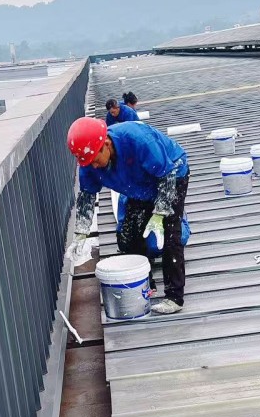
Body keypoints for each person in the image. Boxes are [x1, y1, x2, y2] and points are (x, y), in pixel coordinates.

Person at [67, 117, 189, 315]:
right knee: (129, 236)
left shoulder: (138, 140)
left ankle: (174, 296)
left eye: (96, 160)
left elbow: (166, 175)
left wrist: (159, 214)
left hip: (171, 173)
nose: (94, 166)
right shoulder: (89, 162)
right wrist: (81, 232)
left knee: (169, 233)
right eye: (89, 163)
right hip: (138, 186)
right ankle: (145, 284)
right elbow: (87, 195)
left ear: (106, 144)